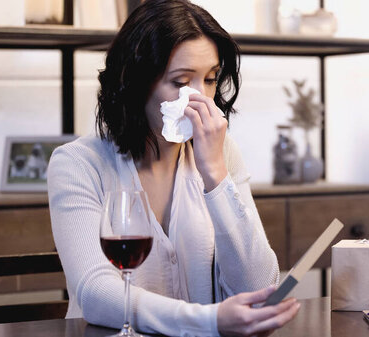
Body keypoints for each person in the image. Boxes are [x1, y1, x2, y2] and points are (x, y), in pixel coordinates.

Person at [47, 0, 299, 336]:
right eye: (181, 82)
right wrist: (208, 321)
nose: (200, 99)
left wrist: (215, 175)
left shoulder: (220, 151)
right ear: (136, 83)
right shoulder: (79, 164)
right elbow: (95, 293)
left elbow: (255, 287)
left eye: (210, 79)